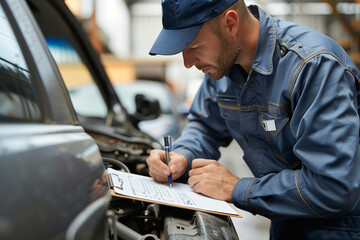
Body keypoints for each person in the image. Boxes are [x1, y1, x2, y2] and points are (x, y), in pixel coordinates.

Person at [146, 0, 360, 239]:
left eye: (194, 46)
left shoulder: (313, 66)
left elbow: (333, 187)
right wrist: (181, 156)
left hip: (341, 227)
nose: (187, 63)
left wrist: (236, 188)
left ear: (231, 23)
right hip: (285, 219)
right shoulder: (221, 67)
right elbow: (205, 126)